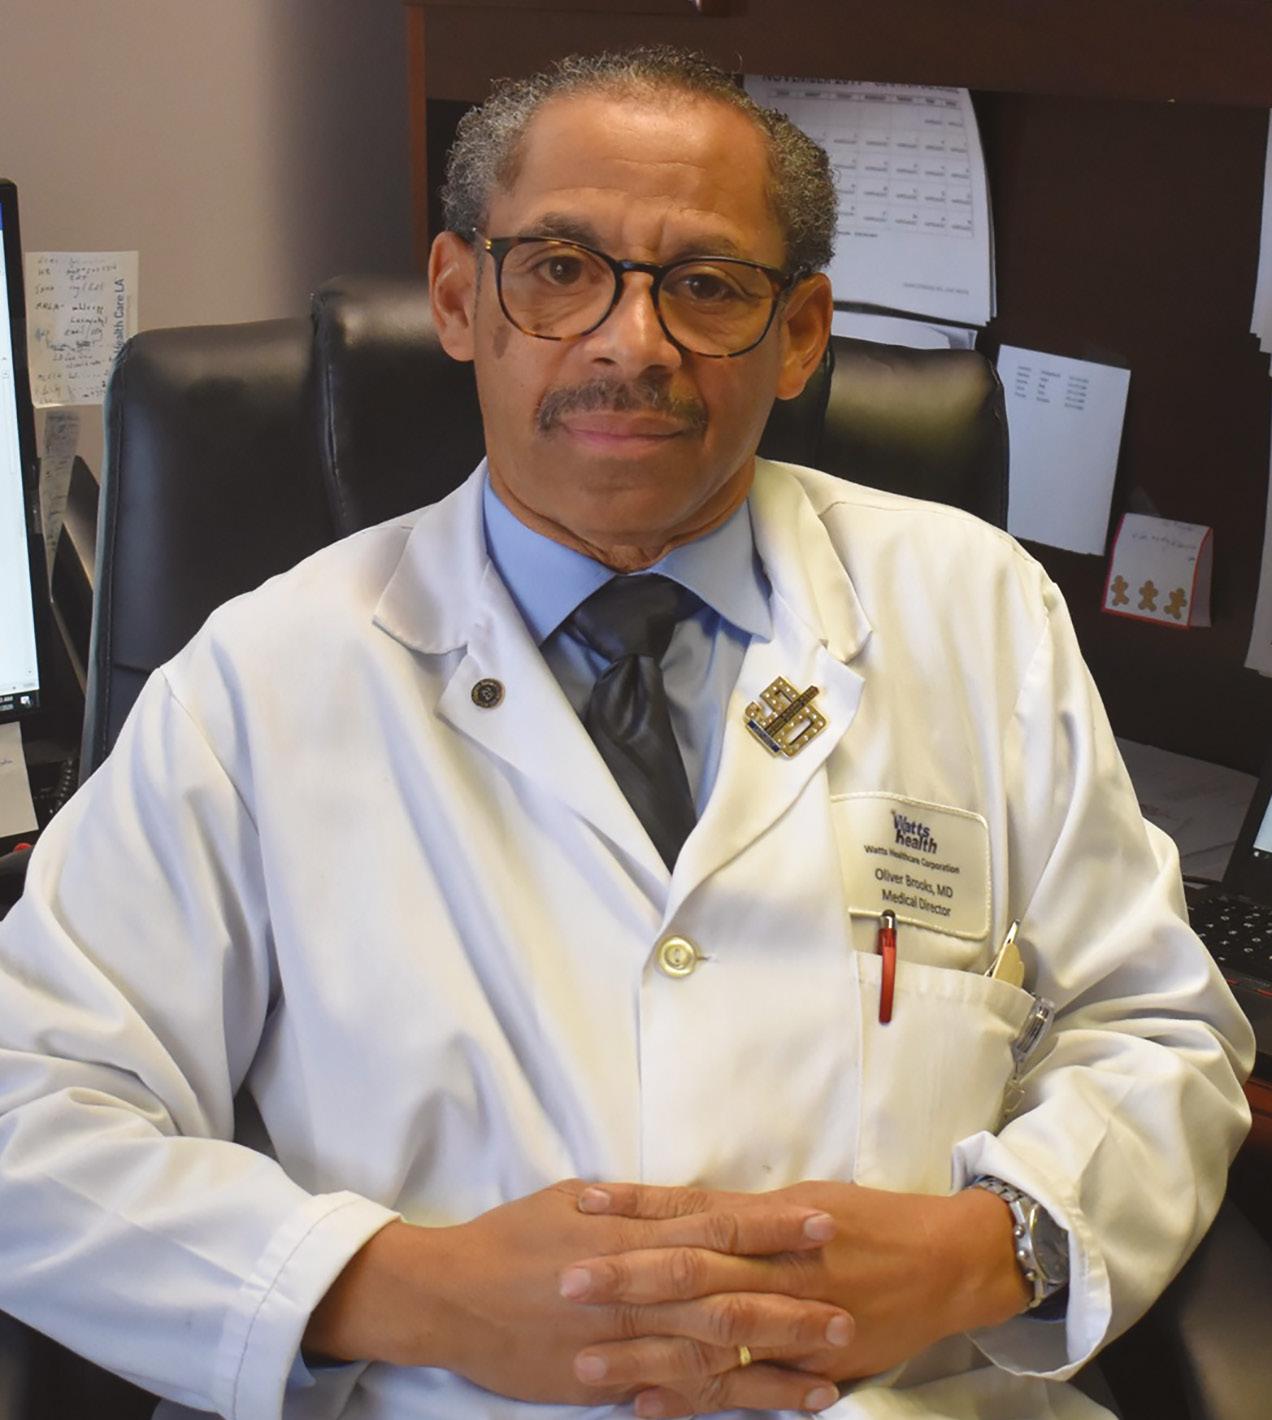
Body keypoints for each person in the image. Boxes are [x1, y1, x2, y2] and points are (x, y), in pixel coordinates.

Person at [0, 44, 1254, 1420]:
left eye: (707, 285)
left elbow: (1160, 1030)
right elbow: (29, 1111)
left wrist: (987, 1250)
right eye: (560, 268)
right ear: (458, 298)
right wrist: (404, 1290)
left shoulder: (973, 607)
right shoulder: (260, 681)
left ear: (800, 334)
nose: (632, 342)